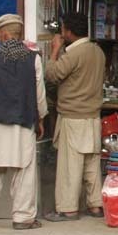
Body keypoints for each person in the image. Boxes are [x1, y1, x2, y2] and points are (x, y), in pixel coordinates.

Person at [0, 13, 47, 230]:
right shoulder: (34, 58)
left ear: (3, 35)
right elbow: (39, 94)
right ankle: (23, 218)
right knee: (24, 172)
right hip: (22, 123)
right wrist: (41, 118)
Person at [43, 11, 108, 222]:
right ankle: (96, 204)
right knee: (91, 164)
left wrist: (54, 51)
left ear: (68, 32)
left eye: (62, 30)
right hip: (92, 116)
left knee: (70, 166)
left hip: (74, 117)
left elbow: (52, 75)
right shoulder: (97, 51)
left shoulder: (74, 54)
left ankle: (68, 208)